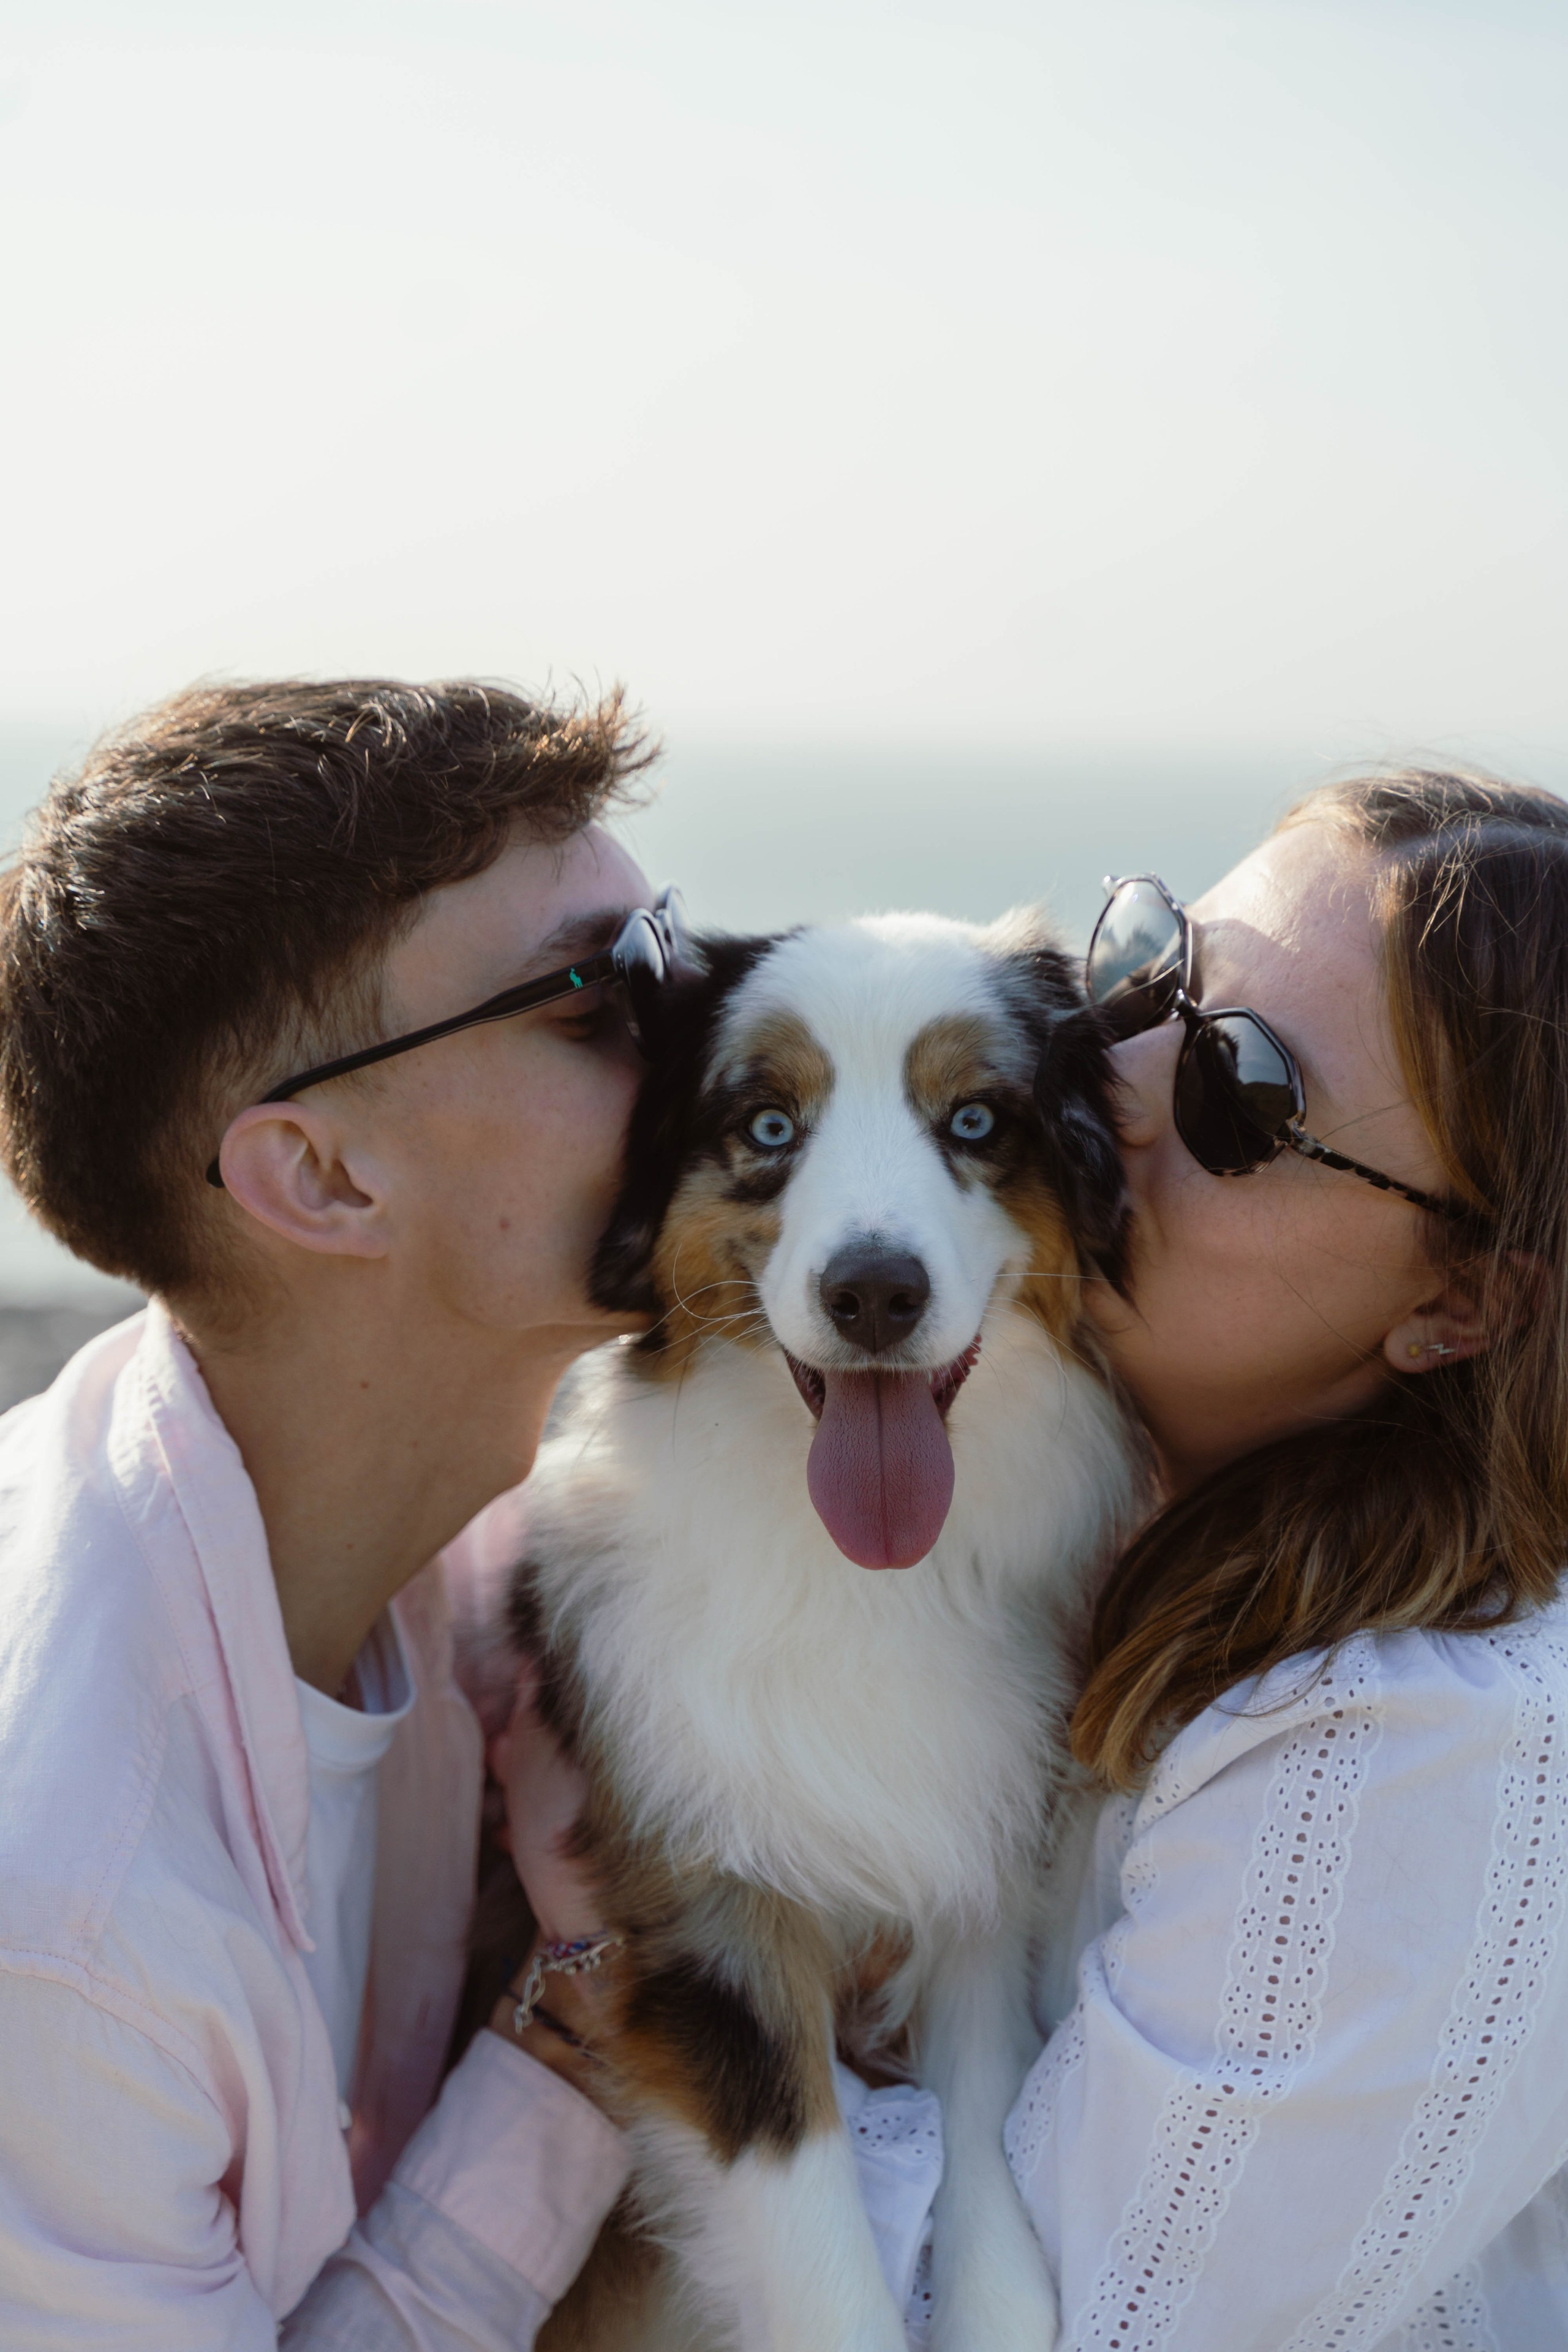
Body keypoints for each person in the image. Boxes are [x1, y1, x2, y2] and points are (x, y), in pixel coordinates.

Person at [500, 766, 1568, 2348]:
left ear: (1458, 1304)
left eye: (1243, 1096)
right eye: (1147, 978)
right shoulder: (1086, 1527)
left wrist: (638, 1965)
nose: (1110, 1090)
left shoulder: (1425, 1767)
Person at [0, 676, 680, 2348]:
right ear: (322, 1179)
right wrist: (585, 2015)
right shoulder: (72, 1928)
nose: (718, 1032)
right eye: (606, 994)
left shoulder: (482, 1522)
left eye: (684, 952)